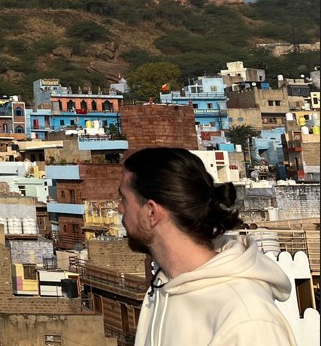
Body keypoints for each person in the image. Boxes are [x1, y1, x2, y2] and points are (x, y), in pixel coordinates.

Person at [119, 147, 295, 346]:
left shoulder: (247, 319)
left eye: (124, 198)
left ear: (152, 212)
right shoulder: (164, 289)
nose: (119, 208)